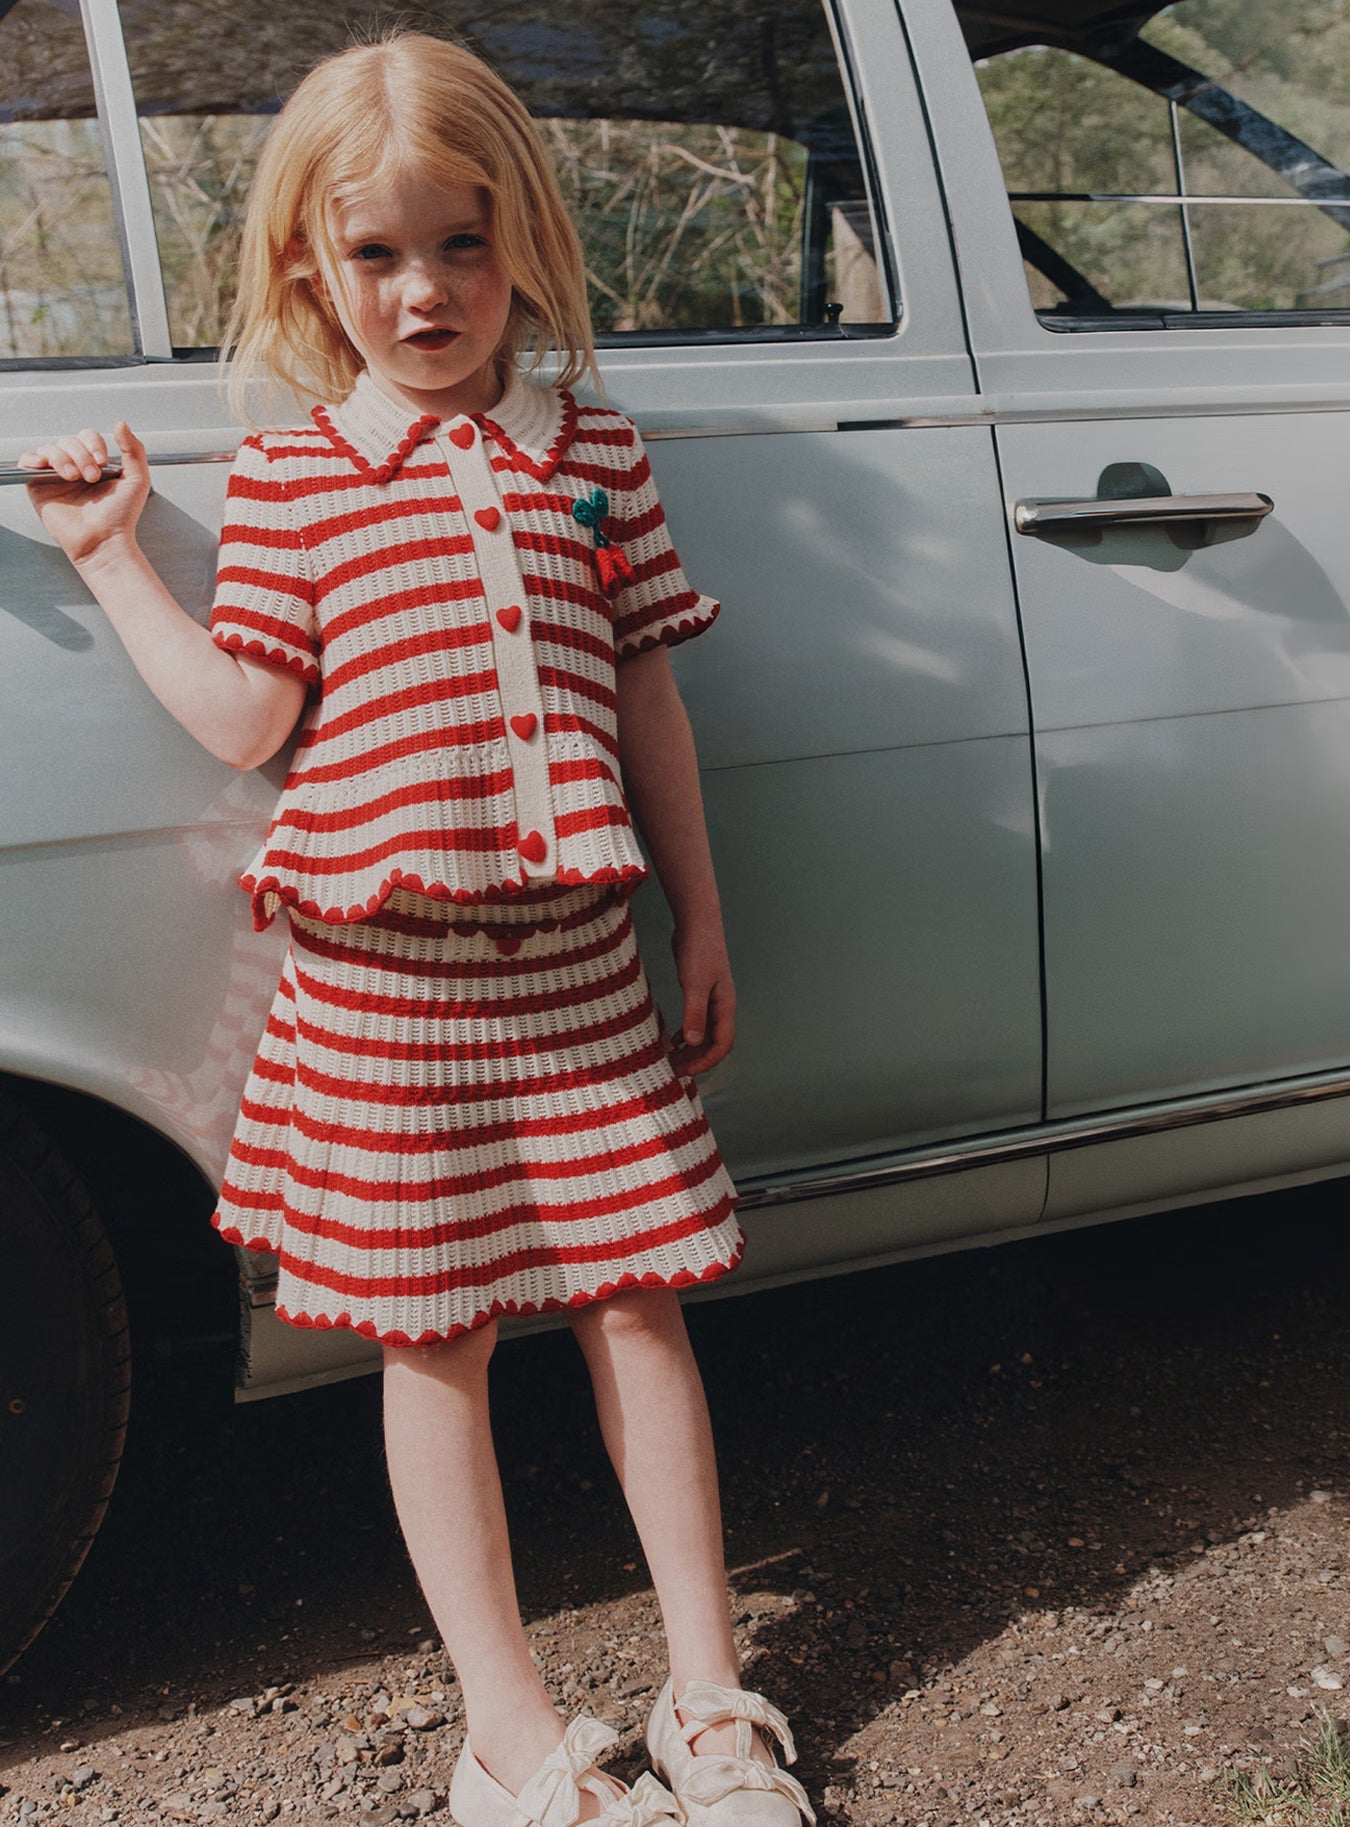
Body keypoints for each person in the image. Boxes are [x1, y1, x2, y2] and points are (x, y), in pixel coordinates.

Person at [22, 32, 815, 1827]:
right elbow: (243, 721)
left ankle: (708, 1698)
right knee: (429, 1341)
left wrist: (699, 919)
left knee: (641, 1310)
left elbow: (647, 697)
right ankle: (508, 1735)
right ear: (310, 260)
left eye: (460, 246)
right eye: (377, 255)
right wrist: (109, 555)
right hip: (383, 991)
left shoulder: (589, 445)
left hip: (577, 975)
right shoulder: (300, 477)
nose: (423, 291)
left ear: (519, 240)